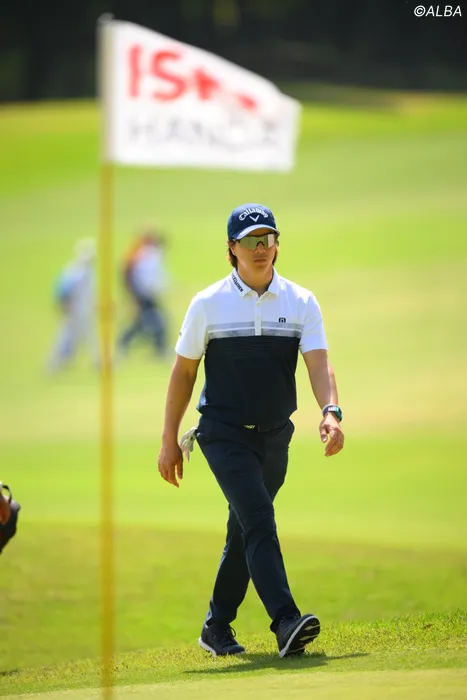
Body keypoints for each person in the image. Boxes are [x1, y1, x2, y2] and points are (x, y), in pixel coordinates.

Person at [158, 203, 344, 658]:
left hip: (275, 435)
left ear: (277, 244)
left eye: (268, 239)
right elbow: (183, 374)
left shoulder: (301, 301)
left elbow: (318, 363)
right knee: (259, 518)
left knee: (244, 530)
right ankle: (286, 621)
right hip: (223, 434)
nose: (261, 248)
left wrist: (331, 411)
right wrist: (168, 440)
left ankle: (216, 626)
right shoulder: (208, 303)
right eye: (250, 241)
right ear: (232, 248)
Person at [46, 238, 99, 373]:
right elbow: (63, 290)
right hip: (75, 309)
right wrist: (64, 305)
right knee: (69, 336)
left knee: (86, 335)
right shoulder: (76, 270)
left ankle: (97, 360)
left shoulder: (87, 270)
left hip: (83, 309)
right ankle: (54, 364)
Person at [117, 228, 169, 359]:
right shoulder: (147, 255)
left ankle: (123, 343)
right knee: (158, 322)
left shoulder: (142, 253)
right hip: (144, 295)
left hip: (144, 294)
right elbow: (147, 277)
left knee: (141, 322)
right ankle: (160, 350)